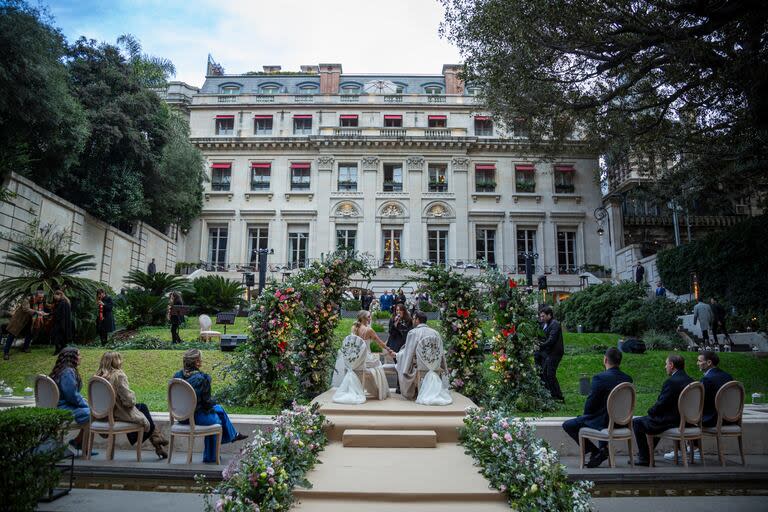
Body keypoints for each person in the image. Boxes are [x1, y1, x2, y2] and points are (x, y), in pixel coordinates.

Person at [562, 348, 633, 468]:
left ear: (605, 359)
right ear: (619, 361)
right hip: (623, 423)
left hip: (605, 423)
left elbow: (590, 404)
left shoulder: (600, 378)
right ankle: (602, 450)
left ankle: (596, 451)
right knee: (601, 417)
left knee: (568, 425)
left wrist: (585, 415)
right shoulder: (628, 379)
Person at [173, 349, 248, 463]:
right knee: (217, 420)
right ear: (197, 362)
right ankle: (211, 456)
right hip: (195, 417)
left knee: (220, 409)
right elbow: (206, 404)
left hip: (181, 417)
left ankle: (234, 435)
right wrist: (214, 402)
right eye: (200, 359)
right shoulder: (202, 379)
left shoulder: (177, 377)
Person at [95, 352, 169, 458]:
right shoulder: (118, 375)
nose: (122, 361)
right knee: (142, 409)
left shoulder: (96, 378)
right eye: (119, 359)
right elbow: (129, 402)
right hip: (116, 415)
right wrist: (132, 396)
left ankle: (157, 441)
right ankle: (157, 439)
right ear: (116, 362)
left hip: (102, 416)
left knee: (142, 407)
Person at [664, 350, 734, 461]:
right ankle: (689, 449)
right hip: (730, 419)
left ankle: (689, 450)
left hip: (713, 419)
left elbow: (699, 402)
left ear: (709, 362)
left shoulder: (707, 379)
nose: (697, 363)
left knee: (680, 414)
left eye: (699, 361)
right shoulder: (728, 376)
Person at [631, 354, 693, 466]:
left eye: (666, 364)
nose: (665, 367)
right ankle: (646, 454)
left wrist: (650, 411)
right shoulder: (691, 381)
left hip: (671, 421)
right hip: (686, 421)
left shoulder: (671, 382)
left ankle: (644, 457)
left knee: (637, 422)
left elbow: (661, 404)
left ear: (671, 365)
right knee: (653, 421)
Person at [396, 310, 449, 401]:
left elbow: (408, 353)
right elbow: (440, 351)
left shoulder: (413, 333)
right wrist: (443, 366)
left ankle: (413, 391)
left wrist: (398, 356)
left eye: (413, 319)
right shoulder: (435, 333)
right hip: (434, 364)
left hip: (419, 365)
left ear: (417, 320)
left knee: (400, 361)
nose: (412, 321)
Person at [50, 347, 91, 454]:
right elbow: (71, 395)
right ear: (72, 358)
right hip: (63, 408)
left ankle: (78, 441)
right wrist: (85, 405)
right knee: (92, 413)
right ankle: (80, 443)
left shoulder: (60, 370)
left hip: (59, 406)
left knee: (91, 411)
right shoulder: (68, 372)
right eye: (79, 355)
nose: (80, 357)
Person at [537, 306, 565, 401]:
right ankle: (553, 395)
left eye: (543, 316)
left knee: (550, 374)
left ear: (550, 315)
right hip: (549, 352)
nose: (542, 318)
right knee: (545, 373)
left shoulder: (555, 324)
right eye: (540, 316)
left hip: (555, 353)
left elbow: (551, 340)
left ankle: (558, 396)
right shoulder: (547, 324)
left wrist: (540, 345)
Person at [3, 293, 41, 360]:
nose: (41, 299)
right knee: (11, 335)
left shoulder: (36, 302)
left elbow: (34, 311)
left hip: (27, 321)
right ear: (36, 296)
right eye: (40, 297)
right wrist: (37, 312)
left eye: (42, 298)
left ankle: (25, 348)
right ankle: (6, 353)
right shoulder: (26, 300)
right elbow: (25, 309)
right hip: (18, 321)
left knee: (29, 334)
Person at [51, 290, 74, 355]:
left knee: (57, 337)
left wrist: (50, 314)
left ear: (60, 295)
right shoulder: (66, 302)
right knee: (62, 337)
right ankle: (62, 349)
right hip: (64, 323)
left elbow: (59, 313)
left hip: (61, 323)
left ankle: (58, 350)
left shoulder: (62, 303)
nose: (54, 297)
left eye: (55, 296)